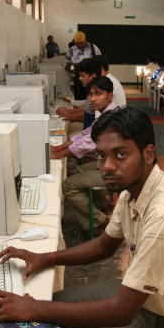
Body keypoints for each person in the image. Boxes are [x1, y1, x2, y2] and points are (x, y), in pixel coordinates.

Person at [0, 107, 164, 328]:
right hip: (139, 296)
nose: (107, 167)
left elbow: (121, 312)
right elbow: (104, 246)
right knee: (51, 304)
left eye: (121, 155)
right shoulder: (132, 189)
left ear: (148, 154)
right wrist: (47, 258)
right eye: (101, 156)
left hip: (163, 317)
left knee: (40, 311)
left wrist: (34, 309)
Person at [56, 77, 119, 232]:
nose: (92, 99)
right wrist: (59, 147)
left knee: (68, 185)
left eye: (98, 94)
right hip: (109, 162)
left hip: (117, 170)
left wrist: (57, 155)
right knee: (79, 171)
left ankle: (101, 221)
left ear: (109, 96)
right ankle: (105, 206)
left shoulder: (110, 118)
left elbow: (87, 143)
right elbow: (86, 133)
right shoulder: (107, 113)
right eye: (91, 94)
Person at [57, 57, 101, 127]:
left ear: (93, 76)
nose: (80, 78)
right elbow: (87, 107)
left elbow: (92, 117)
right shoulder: (94, 89)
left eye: (82, 76)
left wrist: (70, 116)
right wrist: (70, 112)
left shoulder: (100, 92)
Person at [66, 31, 102, 100]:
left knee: (92, 99)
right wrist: (73, 68)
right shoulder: (71, 51)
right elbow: (67, 66)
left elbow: (100, 62)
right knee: (79, 99)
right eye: (77, 43)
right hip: (78, 80)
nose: (79, 45)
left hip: (92, 80)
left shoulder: (93, 48)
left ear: (85, 40)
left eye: (81, 43)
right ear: (74, 42)